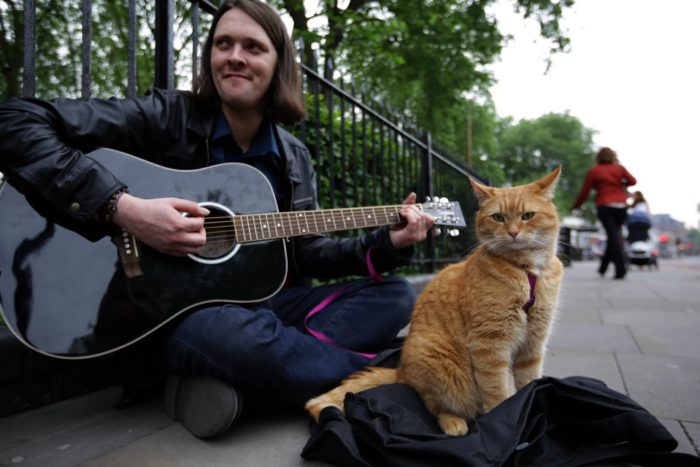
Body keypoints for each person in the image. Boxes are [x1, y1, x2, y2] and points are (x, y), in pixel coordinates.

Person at [0, 0, 434, 438]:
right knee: (229, 336)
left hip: (271, 309)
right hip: (179, 319)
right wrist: (124, 209)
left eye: (253, 46)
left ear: (278, 65)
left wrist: (387, 244)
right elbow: (15, 121)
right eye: (223, 43)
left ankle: (245, 382)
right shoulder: (167, 117)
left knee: (396, 296)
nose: (235, 57)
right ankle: (388, 374)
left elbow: (308, 254)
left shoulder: (292, 156)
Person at [571, 147, 636, 279]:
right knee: (614, 236)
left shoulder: (594, 171)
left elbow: (585, 192)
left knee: (613, 236)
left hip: (605, 206)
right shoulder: (619, 169)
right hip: (621, 206)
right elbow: (633, 181)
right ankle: (603, 268)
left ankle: (620, 270)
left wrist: (575, 206)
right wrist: (622, 182)